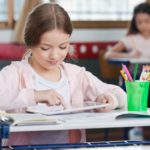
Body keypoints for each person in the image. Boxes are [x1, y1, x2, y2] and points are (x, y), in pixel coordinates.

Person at [0, 3, 126, 146]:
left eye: (62, 47)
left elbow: (121, 95)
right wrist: (34, 95)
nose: (55, 55)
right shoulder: (16, 74)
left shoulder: (76, 76)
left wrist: (110, 99)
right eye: (45, 48)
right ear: (30, 43)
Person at [104, 2, 150, 87]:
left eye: (147, 21)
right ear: (135, 23)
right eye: (139, 22)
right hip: (134, 81)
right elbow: (108, 55)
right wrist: (129, 55)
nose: (143, 25)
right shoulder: (130, 39)